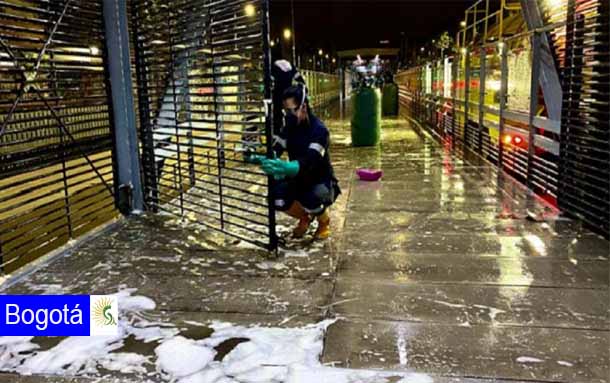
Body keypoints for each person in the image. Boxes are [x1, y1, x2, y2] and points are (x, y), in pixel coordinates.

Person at [248, 81, 340, 240]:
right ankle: (305, 217)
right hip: (298, 178)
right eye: (287, 110)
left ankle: (324, 221)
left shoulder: (319, 131)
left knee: (311, 198)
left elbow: (311, 160)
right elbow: (278, 147)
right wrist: (265, 158)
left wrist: (287, 167)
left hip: (320, 180)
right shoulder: (290, 126)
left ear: (304, 106)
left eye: (293, 109)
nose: (289, 114)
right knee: (276, 198)